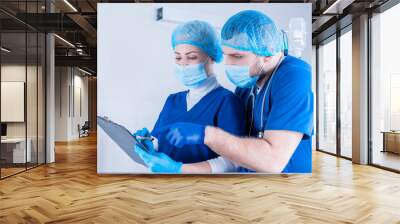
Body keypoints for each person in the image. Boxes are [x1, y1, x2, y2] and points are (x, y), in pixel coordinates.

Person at [137, 10, 314, 173]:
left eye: (237, 56)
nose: (228, 64)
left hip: (287, 185)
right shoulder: (246, 86)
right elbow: (239, 149)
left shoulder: (293, 75)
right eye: (226, 54)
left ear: (267, 54)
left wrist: (205, 134)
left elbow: (272, 161)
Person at [133, 20, 246, 173]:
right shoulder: (173, 100)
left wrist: (180, 169)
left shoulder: (227, 102)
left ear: (212, 57)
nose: (183, 64)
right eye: (178, 58)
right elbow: (161, 140)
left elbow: (233, 161)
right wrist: (149, 143)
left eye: (191, 57)